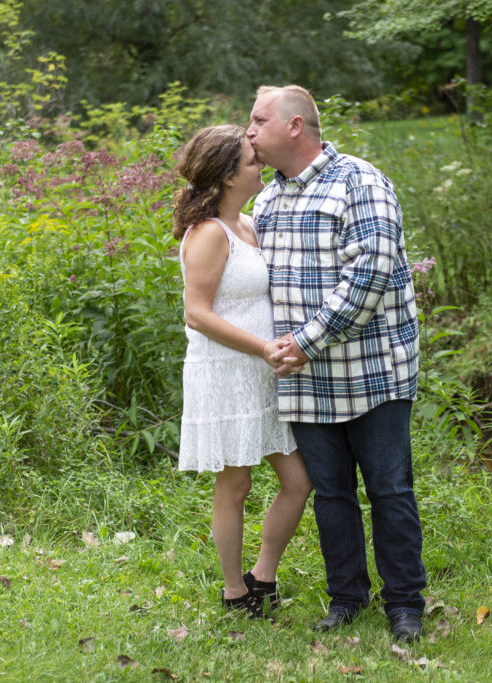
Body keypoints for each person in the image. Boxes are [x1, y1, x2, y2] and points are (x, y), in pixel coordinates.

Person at [246, 85, 426, 641]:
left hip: (373, 370)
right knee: (331, 496)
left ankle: (405, 604)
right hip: (305, 381)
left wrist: (306, 341)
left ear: (295, 125)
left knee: (389, 490)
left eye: (257, 120)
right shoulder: (267, 202)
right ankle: (347, 597)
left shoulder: (360, 182)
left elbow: (370, 274)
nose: (247, 132)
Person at [173, 124, 313, 619]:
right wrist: (264, 348)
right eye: (253, 161)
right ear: (230, 176)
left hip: (262, 372)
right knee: (235, 485)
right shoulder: (209, 233)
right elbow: (198, 313)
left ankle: (264, 576)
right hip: (227, 371)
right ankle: (236, 592)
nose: (262, 167)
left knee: (299, 482)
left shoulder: (248, 225)